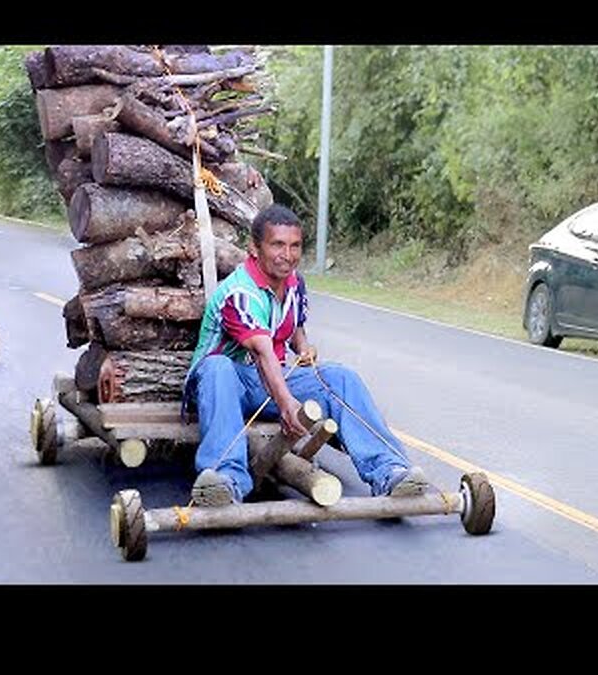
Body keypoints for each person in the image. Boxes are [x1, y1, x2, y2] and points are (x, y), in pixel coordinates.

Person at [183, 204, 428, 506]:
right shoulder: (239, 293)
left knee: (340, 376)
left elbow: (295, 326)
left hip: (270, 380)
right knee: (218, 366)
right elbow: (261, 352)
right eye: (277, 245)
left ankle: (390, 471)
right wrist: (287, 404)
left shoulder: (295, 283)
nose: (287, 255)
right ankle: (225, 480)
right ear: (254, 248)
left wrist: (303, 348)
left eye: (295, 246)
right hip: (224, 384)